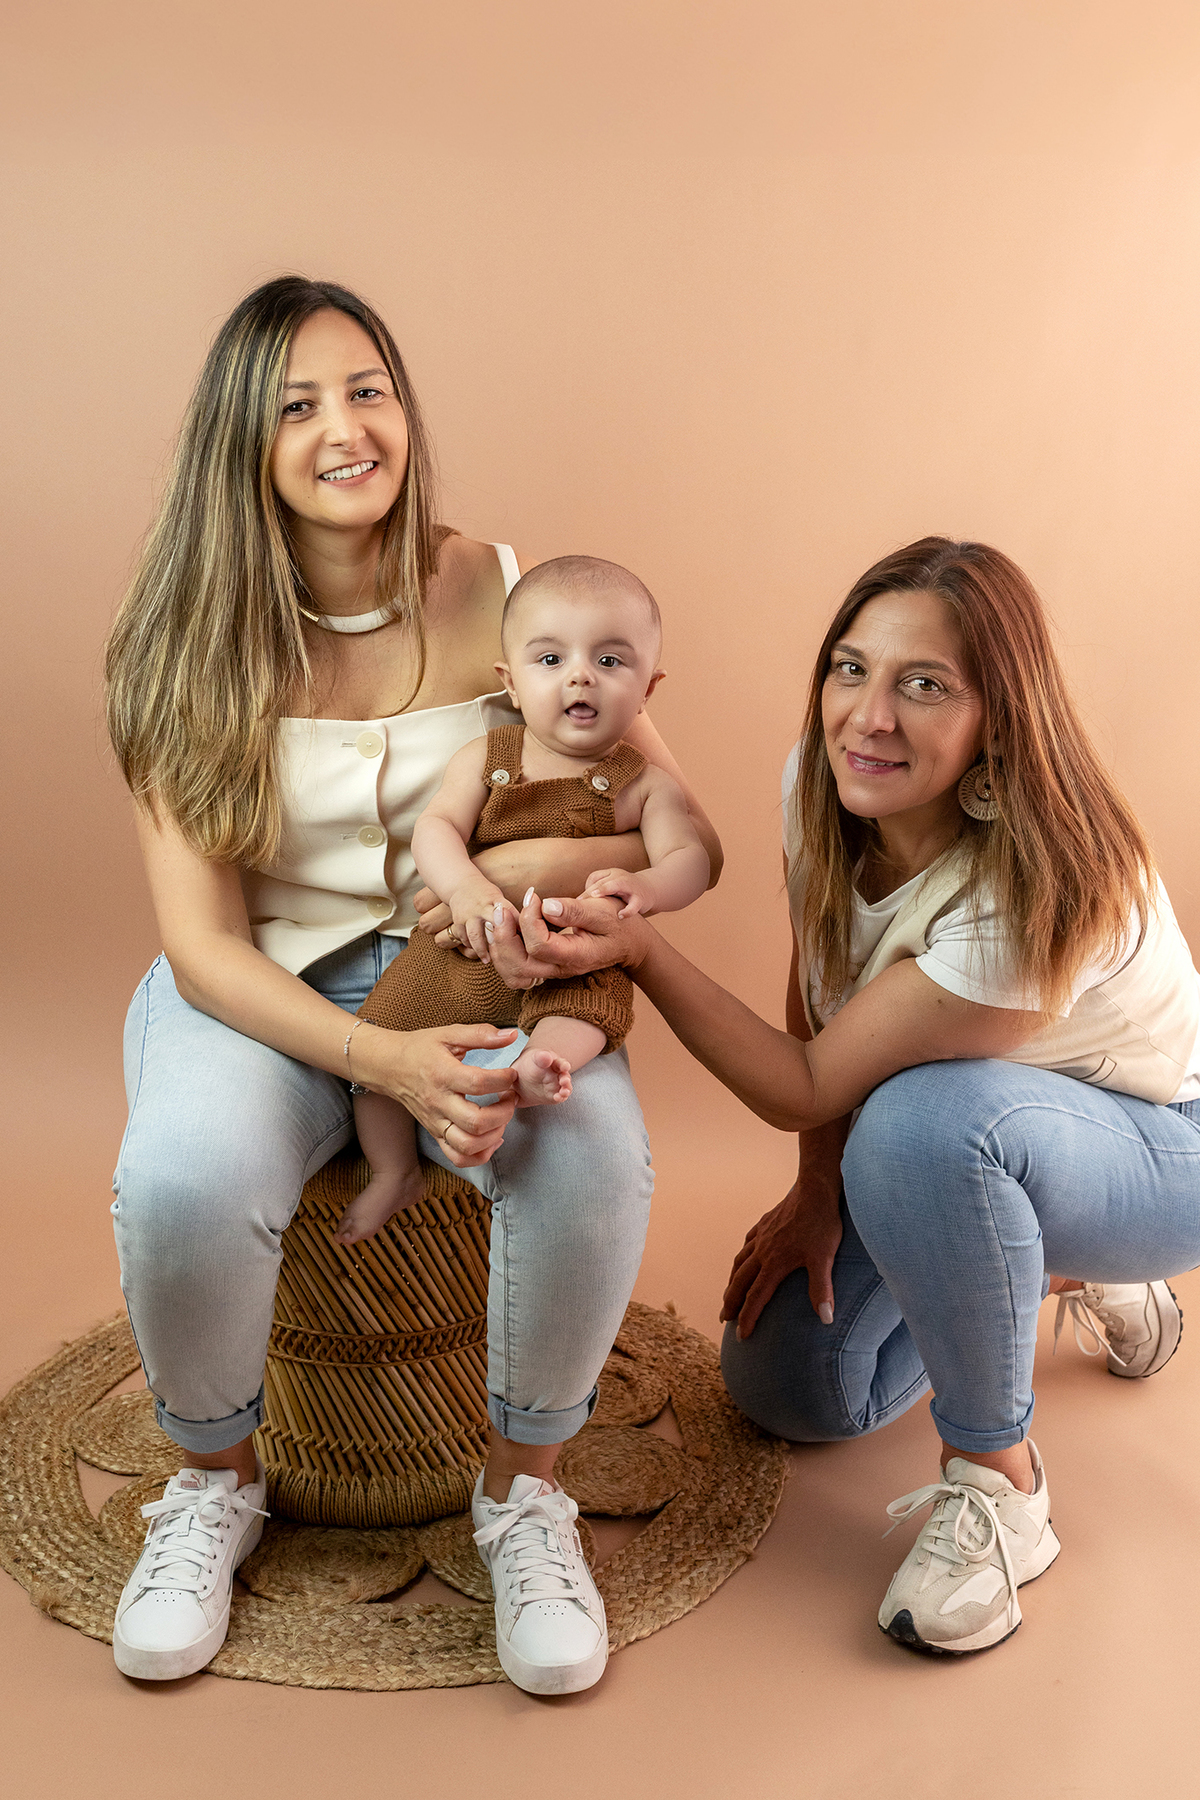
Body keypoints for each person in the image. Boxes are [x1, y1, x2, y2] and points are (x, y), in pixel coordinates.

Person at [102, 276, 720, 1691]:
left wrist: (578, 922)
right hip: (257, 985)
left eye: (367, 388)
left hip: (484, 973)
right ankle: (212, 1486)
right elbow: (199, 943)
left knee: (595, 1153)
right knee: (187, 1173)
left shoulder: (508, 588)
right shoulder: (176, 639)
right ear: (238, 441)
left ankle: (523, 1494)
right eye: (298, 403)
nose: (344, 427)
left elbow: (651, 803)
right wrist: (383, 1065)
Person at [483, 536, 1200, 1657]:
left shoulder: (1018, 895)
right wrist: (817, 1191)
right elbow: (822, 979)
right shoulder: (831, 785)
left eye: (926, 685)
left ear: (995, 725)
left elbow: (808, 1080)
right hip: (988, 1134)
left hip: (1158, 1151)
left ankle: (1000, 1485)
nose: (870, 714)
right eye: (852, 669)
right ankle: (1030, 1263)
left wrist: (641, 953)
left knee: (917, 1131)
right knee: (792, 1388)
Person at [336, 554, 709, 1246]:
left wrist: (647, 887)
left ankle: (536, 1070)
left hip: (573, 953)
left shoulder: (644, 784)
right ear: (509, 681)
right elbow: (437, 829)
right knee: (384, 1044)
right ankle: (392, 1169)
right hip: (466, 952)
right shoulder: (486, 756)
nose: (579, 676)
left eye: (609, 660)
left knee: (587, 1010)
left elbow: (689, 859)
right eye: (549, 659)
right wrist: (468, 888)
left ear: (648, 687)